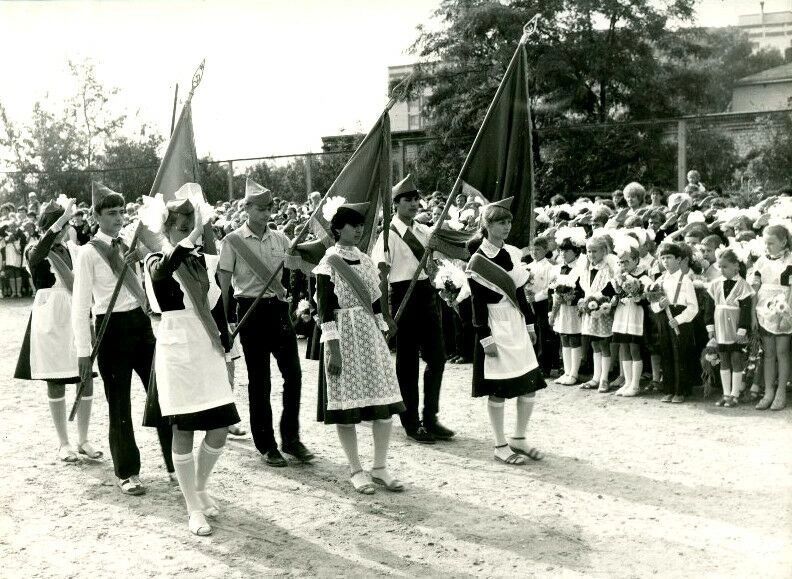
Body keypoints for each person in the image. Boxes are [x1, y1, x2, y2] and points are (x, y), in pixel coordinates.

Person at [142, 188, 240, 536]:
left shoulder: (198, 264)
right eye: (181, 227)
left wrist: (229, 348)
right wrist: (195, 234)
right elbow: (161, 275)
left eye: (190, 226)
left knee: (219, 427)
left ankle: (199, 485)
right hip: (177, 351)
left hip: (206, 348)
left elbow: (215, 305)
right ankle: (192, 506)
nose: (186, 232)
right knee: (184, 431)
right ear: (165, 230)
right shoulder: (154, 261)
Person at [71, 182, 174, 496]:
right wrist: (84, 354)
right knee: (120, 405)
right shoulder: (89, 252)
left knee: (162, 394)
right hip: (110, 328)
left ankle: (174, 463)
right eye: (111, 212)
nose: (118, 217)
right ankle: (128, 471)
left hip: (141, 325)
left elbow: (162, 249)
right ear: (97, 215)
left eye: (121, 211)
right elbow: (80, 306)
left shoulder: (132, 240)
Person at [218, 178, 314, 466]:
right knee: (260, 381)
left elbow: (299, 270)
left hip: (278, 312)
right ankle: (266, 443)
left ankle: (292, 439)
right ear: (246, 207)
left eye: (269, 207)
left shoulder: (282, 239)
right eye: (260, 207)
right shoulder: (232, 241)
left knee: (293, 375)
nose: (266, 212)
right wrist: (225, 323)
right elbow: (224, 284)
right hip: (250, 311)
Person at [314, 200, 406, 494]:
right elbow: (325, 310)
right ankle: (355, 468)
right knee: (348, 408)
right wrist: (335, 350)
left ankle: (379, 466)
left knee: (382, 404)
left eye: (362, 227)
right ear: (338, 228)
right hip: (342, 335)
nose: (358, 231)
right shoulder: (328, 263)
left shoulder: (365, 260)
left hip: (368, 335)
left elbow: (376, 302)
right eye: (354, 226)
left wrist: (384, 325)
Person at [14, 199, 102, 462]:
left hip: (74, 311)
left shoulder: (70, 250)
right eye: (61, 223)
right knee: (56, 380)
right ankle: (63, 442)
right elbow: (39, 253)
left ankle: (83, 439)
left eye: (66, 224)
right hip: (50, 314)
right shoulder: (35, 249)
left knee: (84, 377)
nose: (65, 229)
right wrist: (60, 220)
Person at [372, 174, 454, 444]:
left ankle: (431, 417)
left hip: (426, 294)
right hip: (402, 295)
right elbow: (380, 277)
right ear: (395, 203)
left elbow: (435, 263)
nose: (414, 204)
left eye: (416, 199)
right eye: (407, 200)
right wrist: (384, 314)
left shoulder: (423, 230)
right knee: (407, 365)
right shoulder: (388, 234)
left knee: (437, 358)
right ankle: (411, 423)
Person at [466, 198, 546, 466]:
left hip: (516, 321)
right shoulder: (477, 262)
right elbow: (477, 305)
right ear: (486, 225)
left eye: (508, 222)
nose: (506, 227)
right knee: (498, 389)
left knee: (529, 384)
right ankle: (500, 444)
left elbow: (520, 293)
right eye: (501, 222)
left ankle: (519, 437)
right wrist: (485, 337)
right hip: (494, 324)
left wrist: (530, 324)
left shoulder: (512, 253)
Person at [650, 243, 699, 404]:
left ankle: (681, 390)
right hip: (665, 319)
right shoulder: (660, 280)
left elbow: (693, 308)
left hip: (681, 321)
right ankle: (669, 389)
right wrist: (659, 306)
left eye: (669, 258)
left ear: (678, 260)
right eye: (663, 258)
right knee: (666, 353)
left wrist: (678, 319)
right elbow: (653, 303)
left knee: (680, 355)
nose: (666, 261)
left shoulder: (685, 281)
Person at [751, 223, 792, 411]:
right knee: (768, 354)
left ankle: (781, 392)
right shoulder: (760, 262)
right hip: (763, 310)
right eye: (765, 243)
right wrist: (753, 314)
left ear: (784, 242)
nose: (767, 247)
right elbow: (754, 290)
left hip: (785, 309)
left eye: (772, 243)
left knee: (782, 352)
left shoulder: (790, 261)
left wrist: (786, 315)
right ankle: (768, 392)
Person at [705, 249, 753, 408]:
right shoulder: (715, 285)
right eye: (720, 267)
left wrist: (742, 329)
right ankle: (726, 394)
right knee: (723, 359)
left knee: (736, 359)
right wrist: (710, 327)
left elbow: (746, 309)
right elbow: (709, 307)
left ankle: (735, 394)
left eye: (725, 267)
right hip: (720, 327)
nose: (722, 270)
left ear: (736, 266)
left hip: (735, 326)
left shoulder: (743, 286)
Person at [611, 239, 651, 397]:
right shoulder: (618, 278)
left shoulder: (644, 278)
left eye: (626, 261)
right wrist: (614, 299)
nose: (623, 265)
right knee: (624, 348)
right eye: (620, 262)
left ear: (636, 260)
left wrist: (637, 296)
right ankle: (627, 382)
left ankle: (635, 384)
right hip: (622, 315)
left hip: (635, 316)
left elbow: (647, 298)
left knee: (634, 349)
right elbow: (612, 295)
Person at [579, 234, 617, 392]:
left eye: (595, 251)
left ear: (603, 251)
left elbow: (610, 288)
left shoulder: (608, 269)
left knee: (603, 344)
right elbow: (585, 287)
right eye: (589, 251)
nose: (591, 255)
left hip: (603, 310)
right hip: (590, 310)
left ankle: (604, 379)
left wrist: (600, 302)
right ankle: (596, 377)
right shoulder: (587, 269)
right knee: (594, 344)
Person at [549, 227, 586, 385]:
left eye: (567, 251)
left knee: (573, 338)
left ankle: (574, 373)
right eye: (561, 251)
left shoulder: (580, 269)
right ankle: (567, 371)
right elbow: (553, 287)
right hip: (561, 310)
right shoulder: (558, 269)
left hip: (573, 309)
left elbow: (582, 289)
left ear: (576, 251)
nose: (563, 254)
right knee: (564, 338)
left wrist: (570, 298)